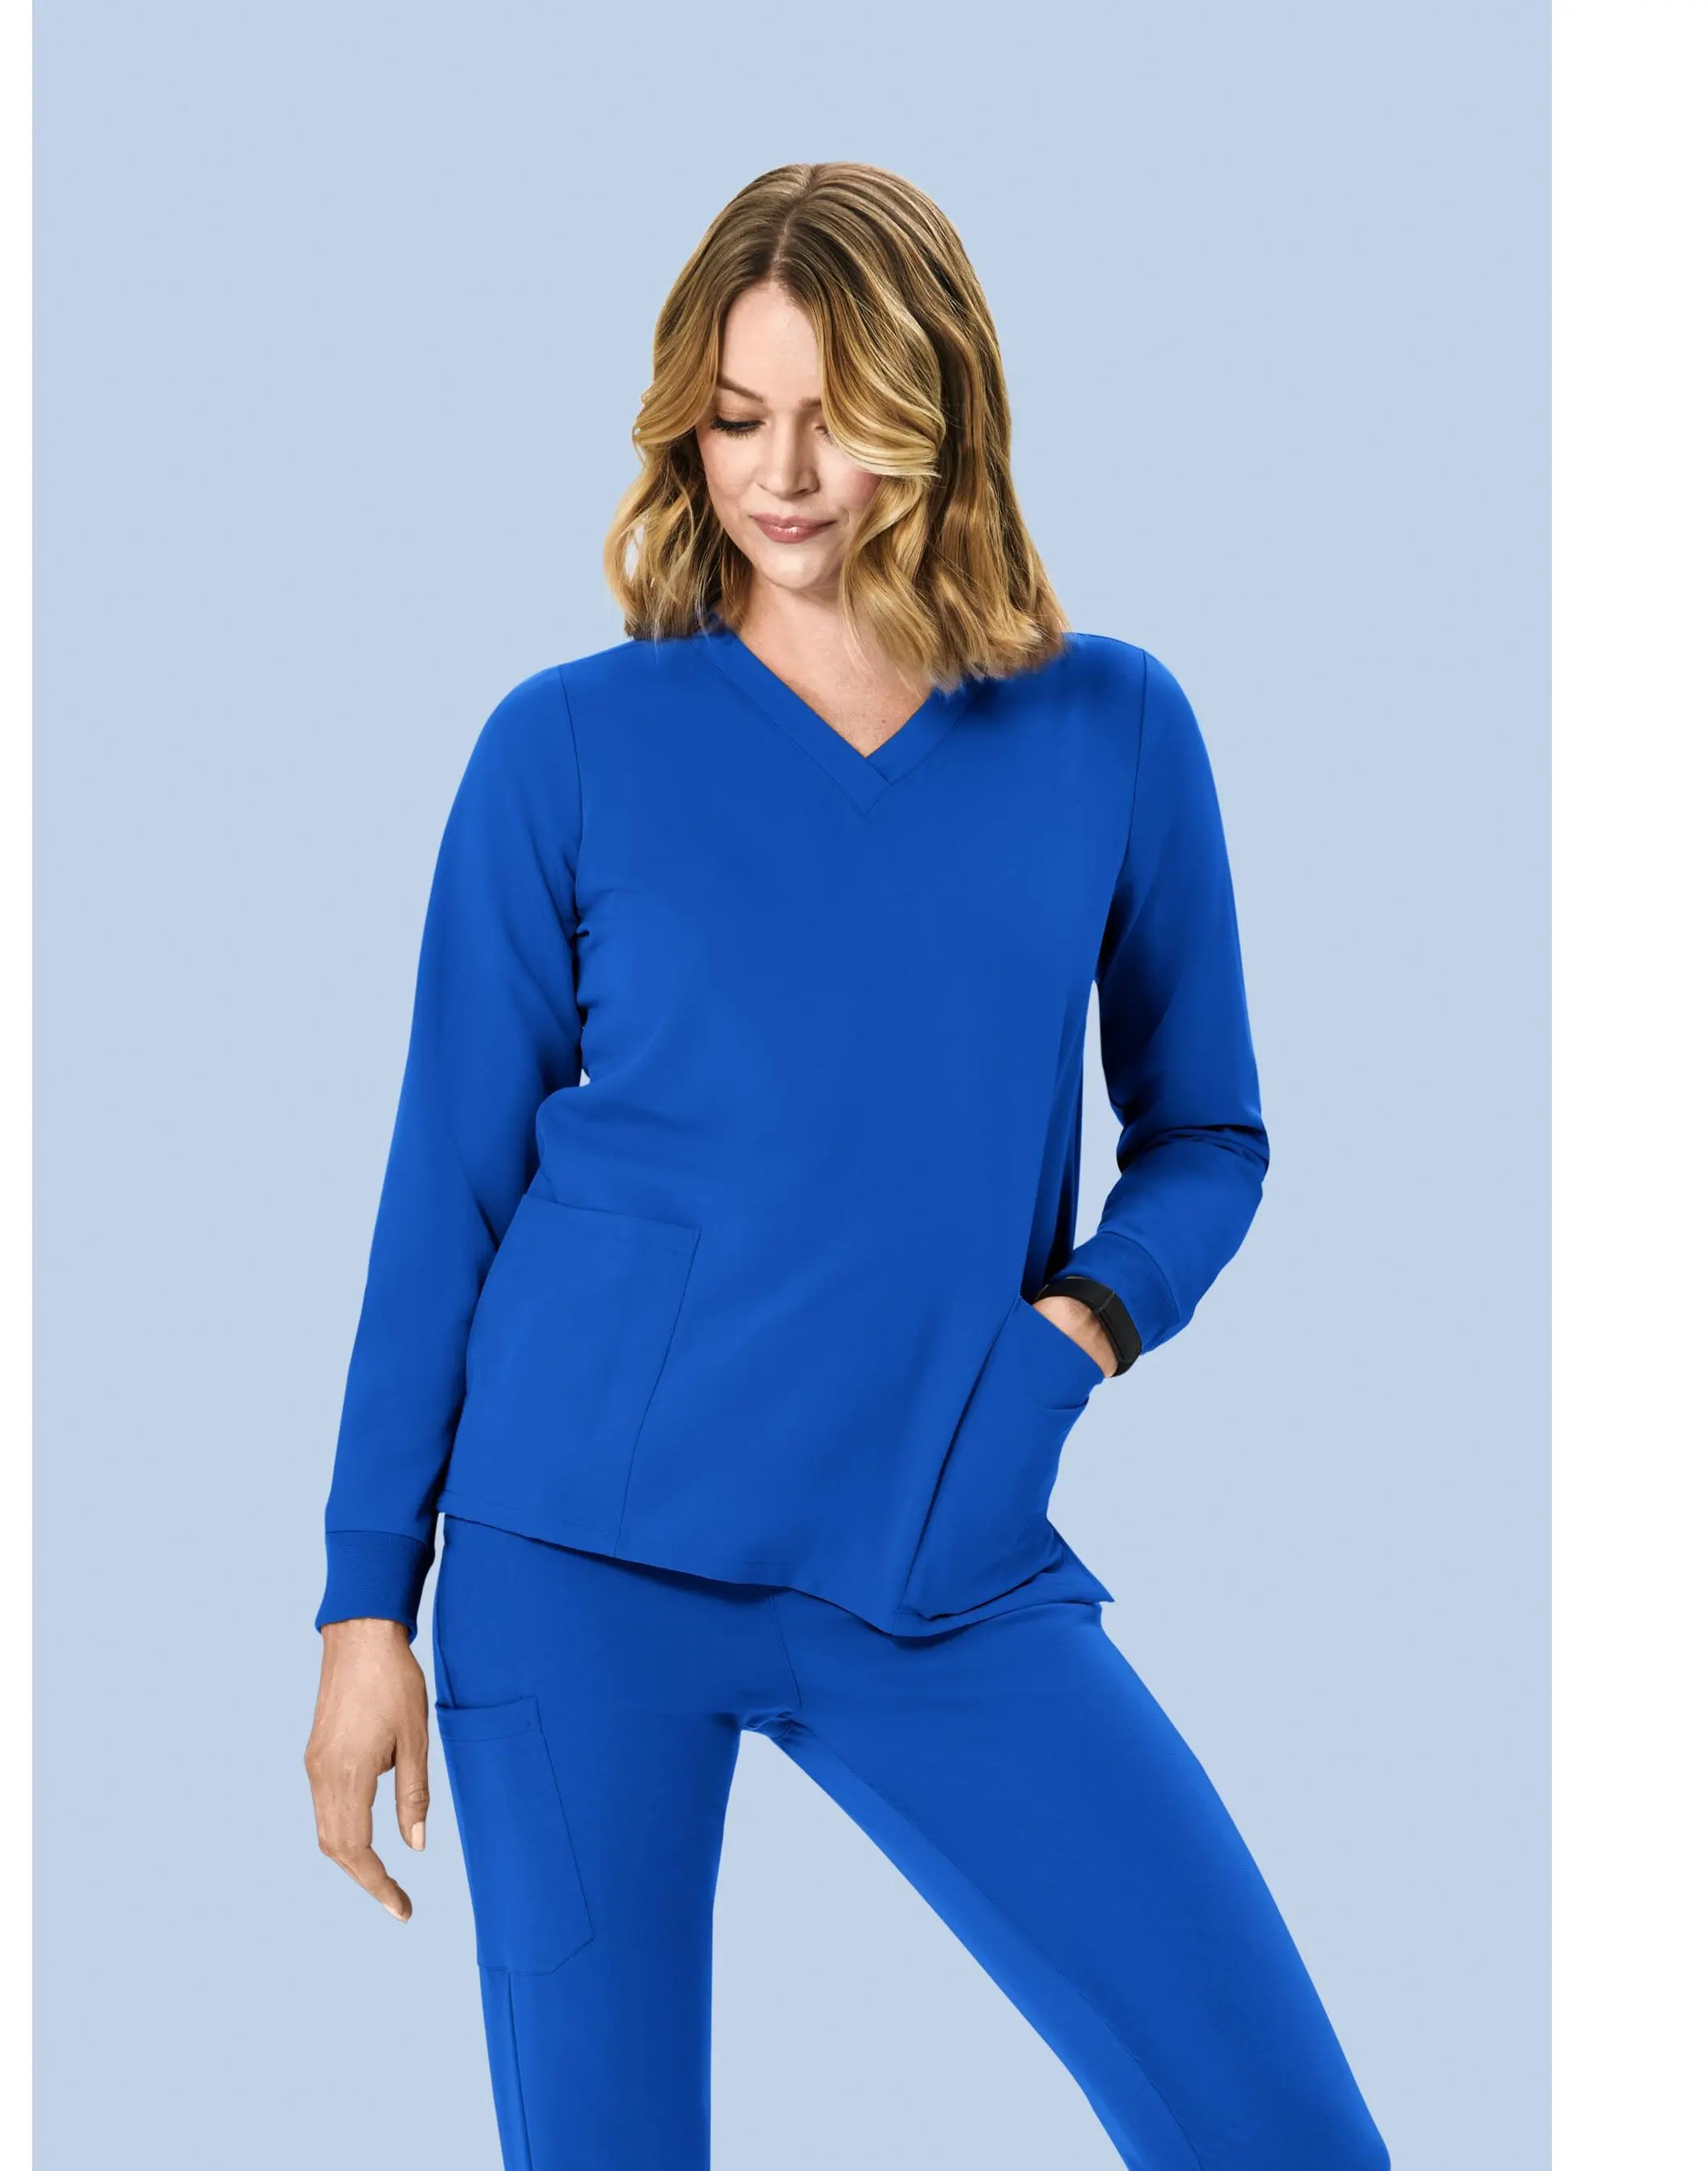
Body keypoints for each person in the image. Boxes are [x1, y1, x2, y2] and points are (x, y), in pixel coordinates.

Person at [302, 161, 1391, 2171]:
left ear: (941, 413)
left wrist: (1074, 1335)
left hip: (937, 1548)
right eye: (738, 419)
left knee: (1281, 2135)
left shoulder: (1108, 728)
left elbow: (1209, 1136)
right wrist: (368, 1600)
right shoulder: (566, 748)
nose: (786, 475)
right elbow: (444, 1184)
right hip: (577, 1565)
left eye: (840, 416)